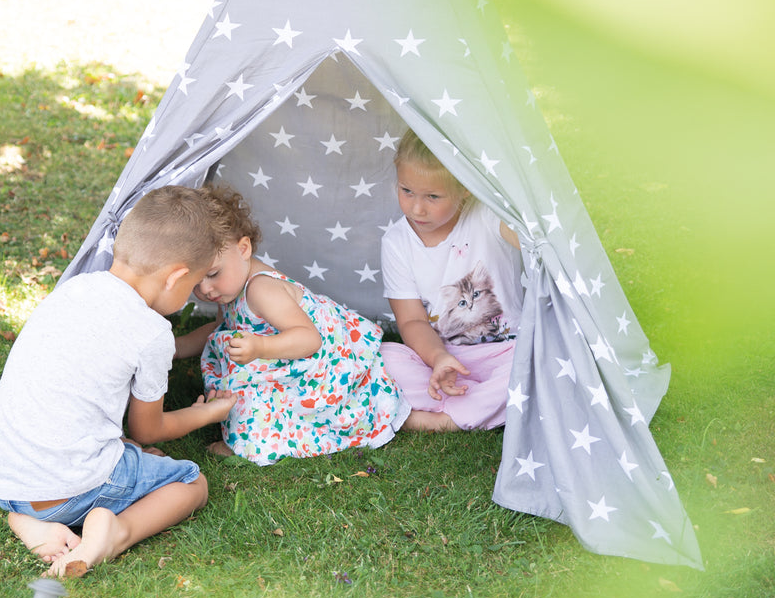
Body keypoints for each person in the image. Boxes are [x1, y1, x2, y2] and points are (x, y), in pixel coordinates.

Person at [0, 186, 235, 579]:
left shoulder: (75, 289)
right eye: (194, 284)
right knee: (190, 482)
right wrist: (208, 413)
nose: (193, 295)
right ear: (176, 277)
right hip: (66, 489)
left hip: (5, 477)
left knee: (132, 450)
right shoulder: (151, 332)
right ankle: (115, 532)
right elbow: (147, 428)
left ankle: (26, 520)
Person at [176, 184, 410, 465]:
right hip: (283, 355)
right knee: (245, 385)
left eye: (213, 274)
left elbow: (308, 339)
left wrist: (260, 346)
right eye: (195, 281)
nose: (206, 289)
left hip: (317, 363)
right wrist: (178, 347)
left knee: (249, 399)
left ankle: (248, 445)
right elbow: (220, 329)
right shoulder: (228, 288)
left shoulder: (260, 289)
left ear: (244, 248)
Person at [380, 129, 524, 432]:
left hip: (507, 352)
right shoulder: (396, 241)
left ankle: (442, 419)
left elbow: (530, 238)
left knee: (538, 363)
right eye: (407, 191)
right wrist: (439, 358)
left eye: (433, 196)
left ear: (466, 188)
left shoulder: (486, 214)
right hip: (443, 358)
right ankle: (473, 407)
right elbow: (412, 323)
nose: (417, 208)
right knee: (382, 356)